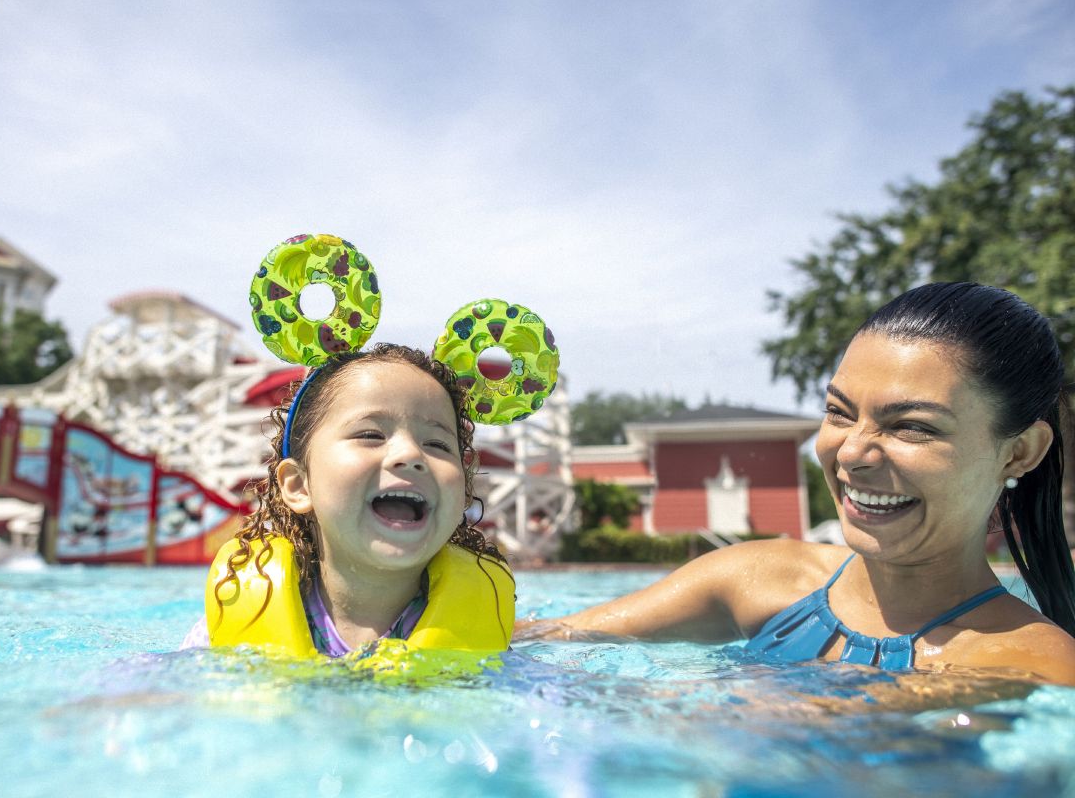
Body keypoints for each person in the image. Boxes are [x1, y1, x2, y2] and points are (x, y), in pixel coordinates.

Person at [521, 283, 1075, 684]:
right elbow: (544, 639)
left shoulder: (1040, 667)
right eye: (839, 413)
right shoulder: (758, 577)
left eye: (911, 425)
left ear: (1019, 451)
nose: (852, 452)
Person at [182, 344, 514, 657]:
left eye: (438, 445)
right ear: (299, 486)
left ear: (466, 486)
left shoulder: (483, 626)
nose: (411, 454)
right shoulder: (230, 628)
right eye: (371, 435)